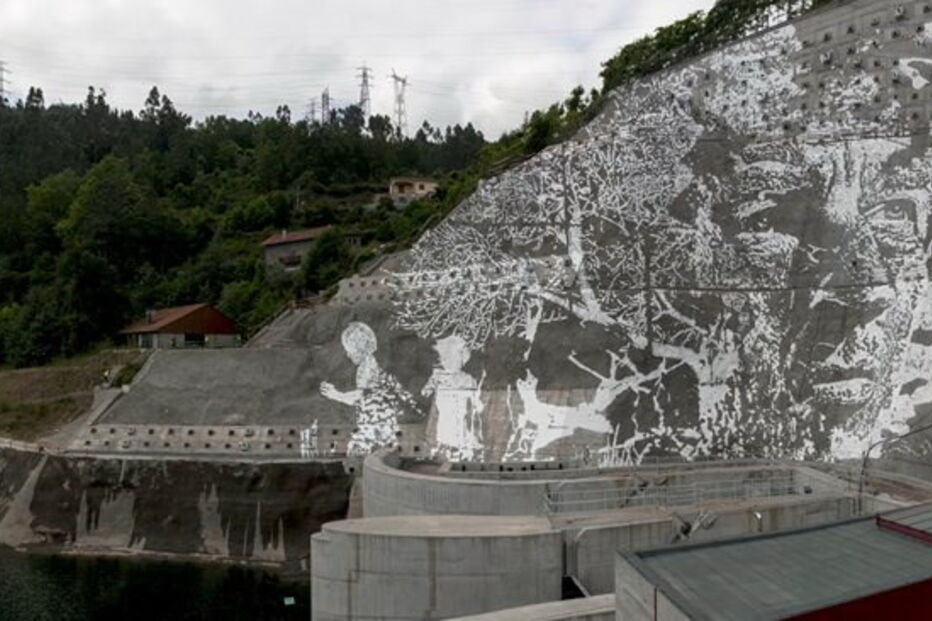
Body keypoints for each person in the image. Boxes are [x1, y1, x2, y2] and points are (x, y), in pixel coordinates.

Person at [320, 322, 421, 455]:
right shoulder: (371, 365)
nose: (348, 354)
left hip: (378, 421)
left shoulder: (367, 368)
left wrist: (336, 395)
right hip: (381, 421)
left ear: (358, 348)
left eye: (349, 349)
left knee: (359, 450)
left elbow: (360, 396)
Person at [422, 335, 484, 461]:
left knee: (459, 433)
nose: (445, 361)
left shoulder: (468, 379)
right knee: (445, 432)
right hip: (447, 418)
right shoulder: (439, 376)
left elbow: (475, 404)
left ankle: (460, 453)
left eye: (450, 358)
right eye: (445, 358)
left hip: (461, 419)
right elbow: (426, 393)